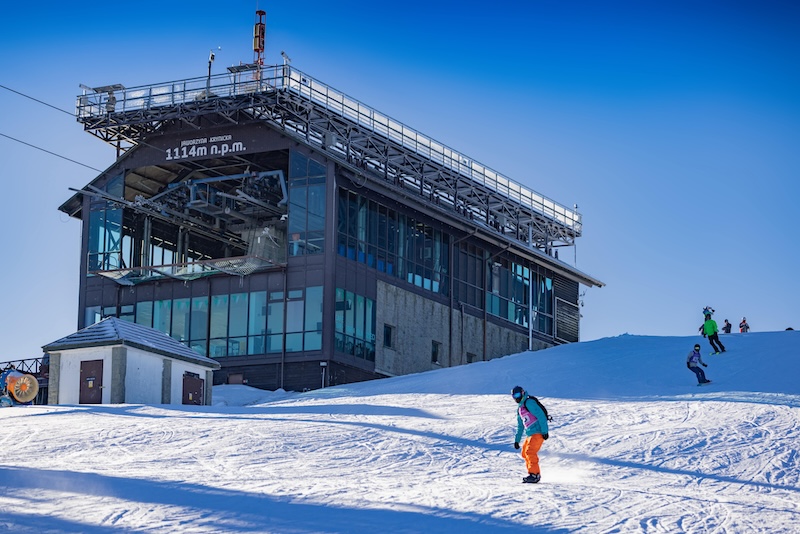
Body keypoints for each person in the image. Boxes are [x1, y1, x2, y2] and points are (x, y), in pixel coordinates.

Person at [512, 385, 549, 484]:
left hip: (538, 432)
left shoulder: (529, 402)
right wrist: (517, 440)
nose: (516, 397)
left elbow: (541, 416)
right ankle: (532, 473)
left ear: (523, 393)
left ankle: (534, 474)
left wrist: (545, 431)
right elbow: (520, 426)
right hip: (530, 433)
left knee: (530, 452)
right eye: (514, 396)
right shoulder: (520, 408)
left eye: (518, 394)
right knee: (525, 453)